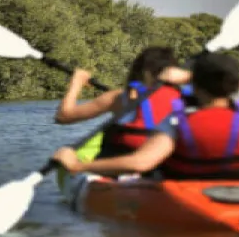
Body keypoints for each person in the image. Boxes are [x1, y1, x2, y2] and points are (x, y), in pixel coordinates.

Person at [51, 52, 239, 181]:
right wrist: (192, 77)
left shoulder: (178, 122)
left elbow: (141, 162)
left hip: (191, 191)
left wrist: (76, 166)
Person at [54, 46, 193, 160]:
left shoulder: (120, 97)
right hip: (166, 163)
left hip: (126, 162)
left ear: (143, 71)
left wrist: (76, 82)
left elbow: (63, 116)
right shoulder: (188, 97)